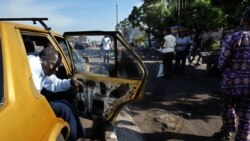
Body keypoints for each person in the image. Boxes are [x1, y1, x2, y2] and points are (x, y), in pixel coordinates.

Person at [28, 46, 85, 141]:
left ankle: (80, 135)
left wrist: (70, 82)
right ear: (43, 59)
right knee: (65, 109)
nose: (57, 69)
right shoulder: (30, 66)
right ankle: (76, 138)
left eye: (58, 66)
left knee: (66, 103)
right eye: (53, 64)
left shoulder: (43, 67)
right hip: (31, 108)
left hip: (36, 103)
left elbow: (54, 83)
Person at [216, 6, 250, 141]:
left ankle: (228, 131)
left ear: (244, 19)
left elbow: (222, 61)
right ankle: (243, 137)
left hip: (231, 83)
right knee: (247, 114)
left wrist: (219, 68)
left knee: (227, 107)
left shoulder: (235, 37)